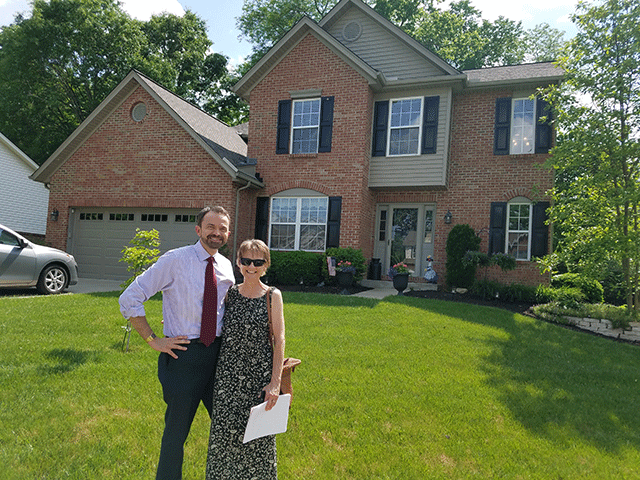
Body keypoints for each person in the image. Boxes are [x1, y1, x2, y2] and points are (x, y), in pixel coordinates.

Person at [119, 206, 235, 480]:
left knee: (229, 425)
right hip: (184, 355)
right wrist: (152, 339)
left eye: (222, 229)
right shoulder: (175, 260)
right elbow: (130, 298)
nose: (216, 233)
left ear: (228, 234)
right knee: (175, 434)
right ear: (199, 230)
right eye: (211, 227)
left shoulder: (227, 266)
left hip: (218, 355)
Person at [206, 239, 285, 479]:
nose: (251, 266)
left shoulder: (272, 296)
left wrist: (275, 383)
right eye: (246, 261)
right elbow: (210, 321)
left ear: (265, 265)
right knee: (225, 437)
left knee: (258, 438)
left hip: (259, 378)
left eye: (258, 262)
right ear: (238, 263)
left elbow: (279, 341)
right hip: (227, 378)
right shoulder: (230, 293)